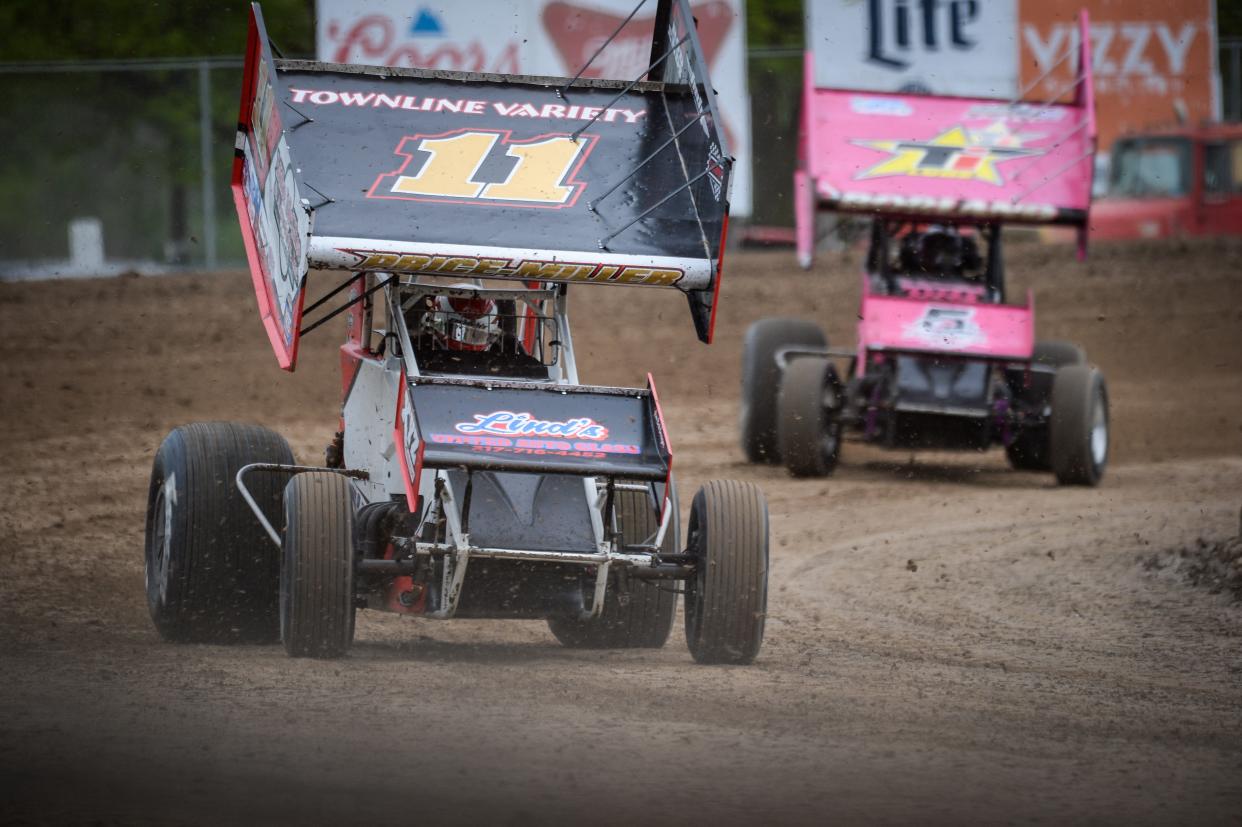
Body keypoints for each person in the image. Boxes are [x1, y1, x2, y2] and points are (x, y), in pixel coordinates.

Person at [411, 285, 549, 379]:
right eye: (463, 333)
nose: (470, 343)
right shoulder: (417, 351)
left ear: (492, 332)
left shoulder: (504, 353)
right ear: (439, 325)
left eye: (479, 335)